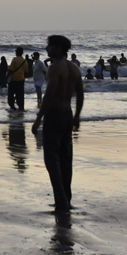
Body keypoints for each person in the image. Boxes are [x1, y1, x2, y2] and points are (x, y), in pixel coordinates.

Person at [31, 35, 84, 214]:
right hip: (67, 114)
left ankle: (61, 201)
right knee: (65, 158)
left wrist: (39, 118)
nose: (47, 49)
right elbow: (81, 94)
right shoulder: (74, 68)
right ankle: (66, 198)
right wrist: (77, 115)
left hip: (54, 115)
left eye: (50, 46)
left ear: (59, 49)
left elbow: (50, 94)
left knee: (51, 159)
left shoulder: (55, 68)